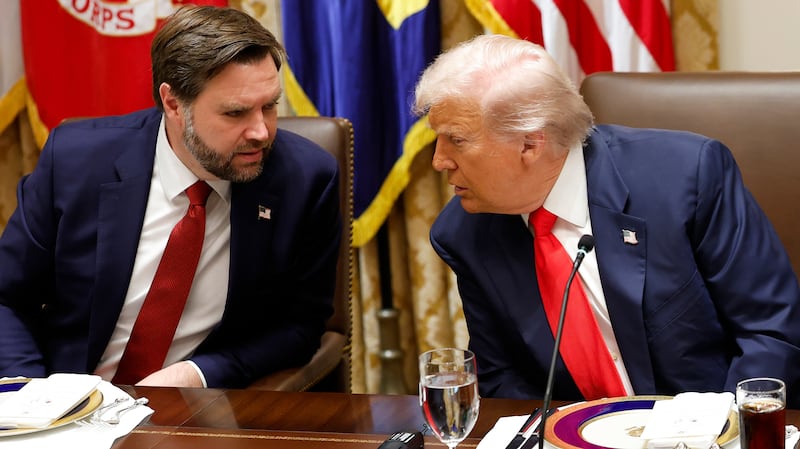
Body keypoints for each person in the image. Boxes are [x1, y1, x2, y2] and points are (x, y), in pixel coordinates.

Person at [413, 34, 800, 406]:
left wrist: (722, 428)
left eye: (457, 140)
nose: (439, 160)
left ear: (530, 143)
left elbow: (771, 333)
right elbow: (501, 376)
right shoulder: (465, 233)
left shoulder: (687, 176)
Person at [0, 6, 341, 388]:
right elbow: (7, 298)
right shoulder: (77, 162)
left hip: (194, 417)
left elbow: (301, 326)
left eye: (269, 106)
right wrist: (27, 399)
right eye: (235, 113)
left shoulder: (305, 180)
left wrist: (198, 374)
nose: (261, 131)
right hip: (65, 404)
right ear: (174, 103)